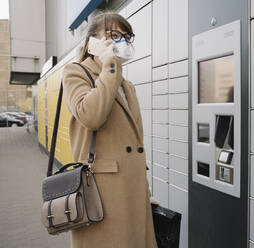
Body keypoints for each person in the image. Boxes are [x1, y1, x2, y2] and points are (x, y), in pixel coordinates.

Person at [62, 10, 158, 248]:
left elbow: (136, 142)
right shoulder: (76, 72)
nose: (122, 42)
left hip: (132, 187)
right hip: (103, 192)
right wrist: (109, 65)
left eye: (127, 36)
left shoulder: (127, 85)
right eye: (114, 34)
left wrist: (144, 188)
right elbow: (91, 115)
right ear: (93, 40)